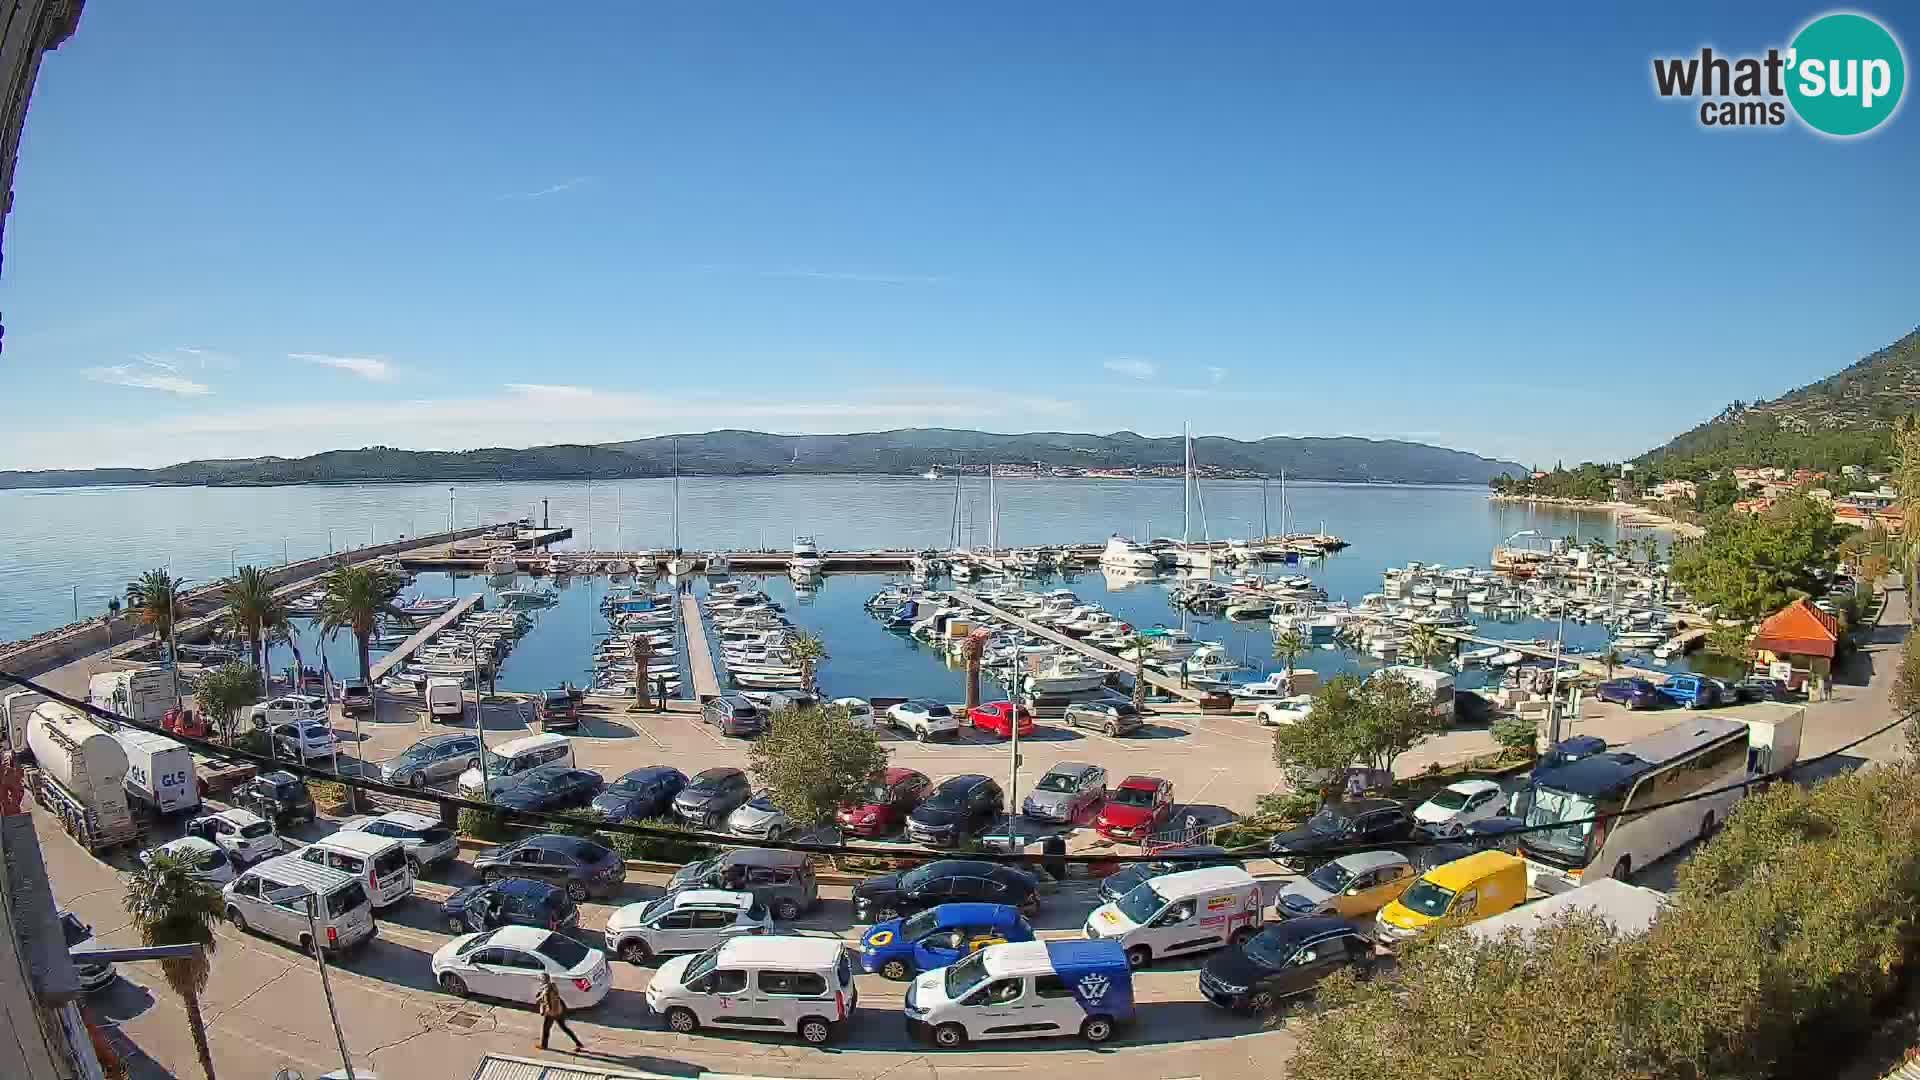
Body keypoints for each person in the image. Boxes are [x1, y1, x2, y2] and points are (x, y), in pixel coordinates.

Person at [537, 973, 583, 1052]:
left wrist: (544, 1011)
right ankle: (578, 1043)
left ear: (543, 980)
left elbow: (546, 1001)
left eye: (540, 979)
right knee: (564, 1028)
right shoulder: (553, 985)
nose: (539, 981)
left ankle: (543, 1045)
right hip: (559, 1010)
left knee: (546, 1029)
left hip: (551, 1013)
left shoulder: (546, 989)